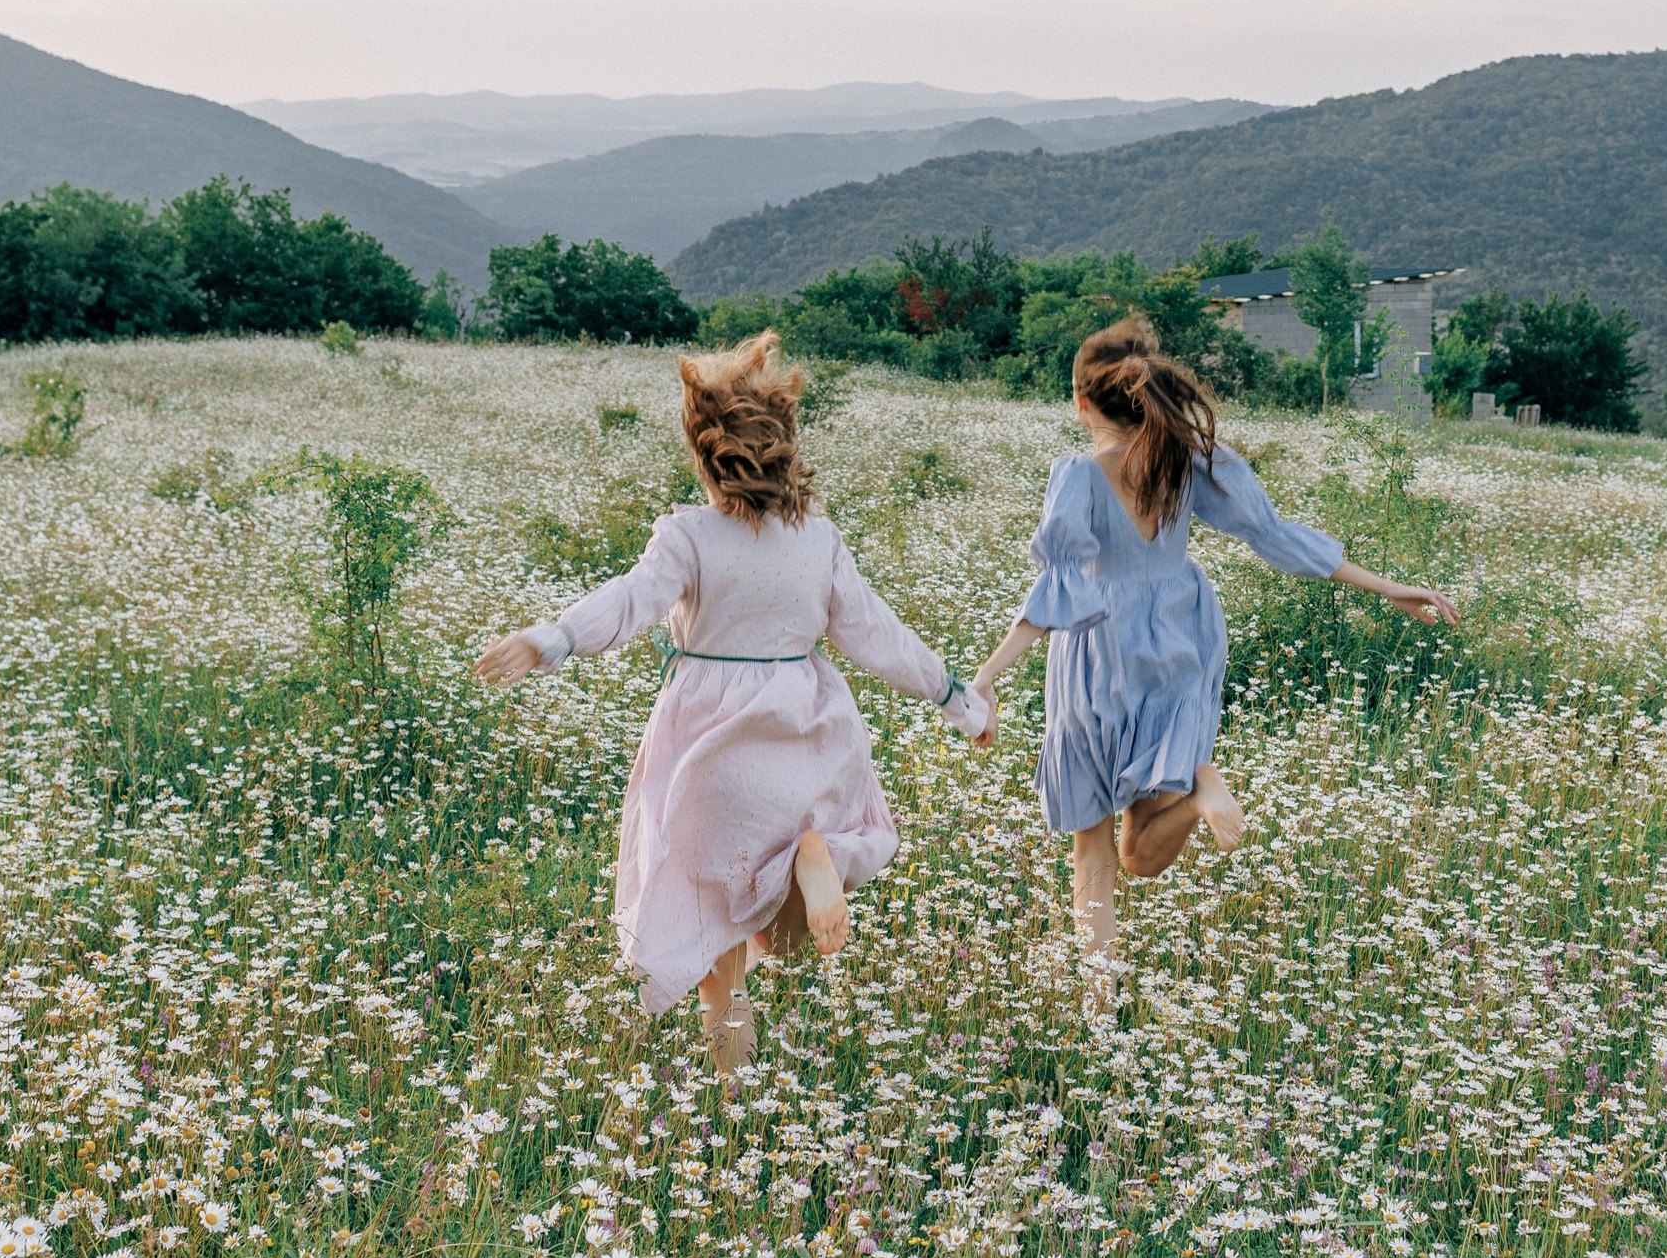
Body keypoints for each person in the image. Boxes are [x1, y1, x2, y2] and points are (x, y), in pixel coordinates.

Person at [475, 333, 990, 1078]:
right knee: (775, 928)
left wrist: (551, 637)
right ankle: (816, 858)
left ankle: (731, 1100)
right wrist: (959, 700)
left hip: (712, 746)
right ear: (782, 444)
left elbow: (631, 603)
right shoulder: (819, 539)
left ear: (703, 452)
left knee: (723, 953)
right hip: (807, 731)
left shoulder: (686, 535)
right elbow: (877, 636)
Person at [970, 317, 1458, 970]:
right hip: (1176, 650)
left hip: (1098, 664)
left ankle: (1097, 1007)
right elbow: (1275, 535)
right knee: (1140, 854)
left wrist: (986, 676)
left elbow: (1056, 594)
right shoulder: (1186, 462)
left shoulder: (1080, 478)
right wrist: (1388, 585)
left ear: (1082, 402)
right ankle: (1199, 791)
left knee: (1096, 854)